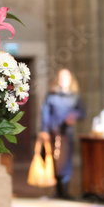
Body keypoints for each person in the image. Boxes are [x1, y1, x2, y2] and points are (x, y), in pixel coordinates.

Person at [38, 68, 86, 199]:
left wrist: (73, 115)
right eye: (60, 77)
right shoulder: (52, 95)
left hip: (66, 134)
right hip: (53, 133)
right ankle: (57, 191)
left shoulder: (75, 96)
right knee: (53, 161)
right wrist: (44, 130)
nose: (62, 80)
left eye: (65, 78)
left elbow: (82, 112)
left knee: (65, 162)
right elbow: (45, 114)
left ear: (70, 80)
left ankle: (65, 191)